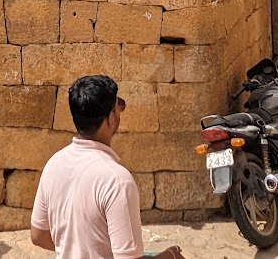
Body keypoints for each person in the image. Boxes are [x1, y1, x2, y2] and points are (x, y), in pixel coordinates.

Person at [31, 75, 183, 259]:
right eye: (117, 107)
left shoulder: (53, 164)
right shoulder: (117, 181)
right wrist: (170, 256)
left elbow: (38, 235)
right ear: (111, 118)